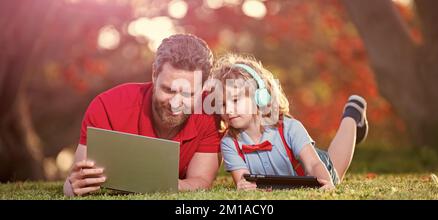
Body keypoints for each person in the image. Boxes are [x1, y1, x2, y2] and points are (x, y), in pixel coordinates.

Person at [63, 34, 222, 196]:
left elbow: (201, 180)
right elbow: (75, 182)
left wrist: (158, 184)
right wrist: (73, 186)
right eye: (168, 90)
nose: (176, 102)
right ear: (154, 74)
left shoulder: (209, 115)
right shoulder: (107, 106)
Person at [212, 54, 369, 190]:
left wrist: (326, 183)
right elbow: (242, 179)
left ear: (260, 97)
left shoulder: (289, 127)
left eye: (235, 100)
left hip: (314, 164)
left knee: (334, 168)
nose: (229, 110)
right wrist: (243, 185)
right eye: (223, 104)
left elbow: (313, 165)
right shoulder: (229, 143)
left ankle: (353, 113)